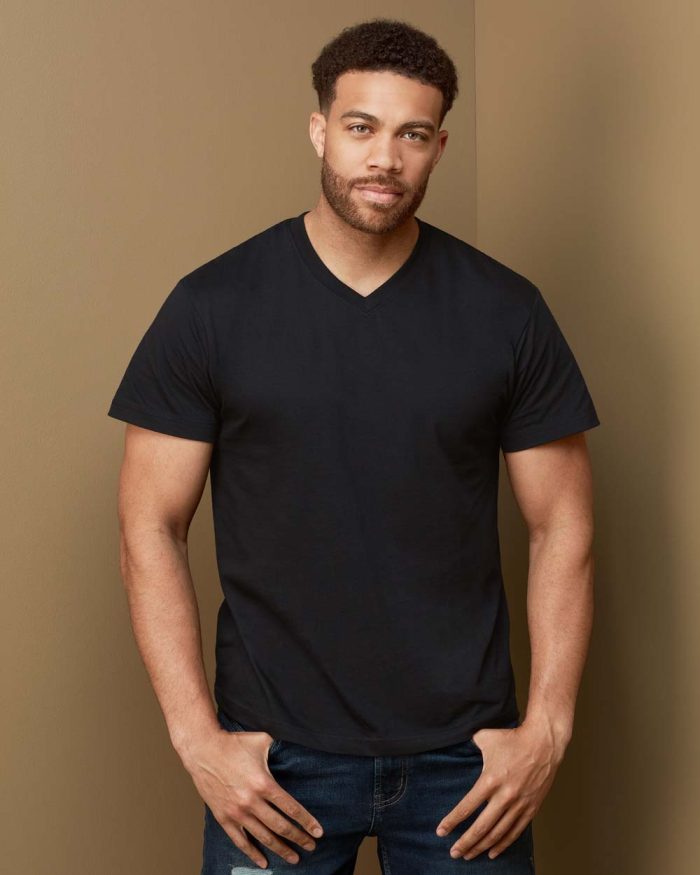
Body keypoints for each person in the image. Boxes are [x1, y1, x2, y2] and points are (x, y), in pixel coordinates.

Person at [107, 17, 600, 875]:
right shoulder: (212, 307)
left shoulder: (507, 312)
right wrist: (197, 739)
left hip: (466, 764)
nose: (385, 159)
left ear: (439, 147)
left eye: (412, 134)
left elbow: (564, 526)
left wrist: (548, 730)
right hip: (272, 763)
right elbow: (148, 524)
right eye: (361, 127)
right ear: (319, 130)